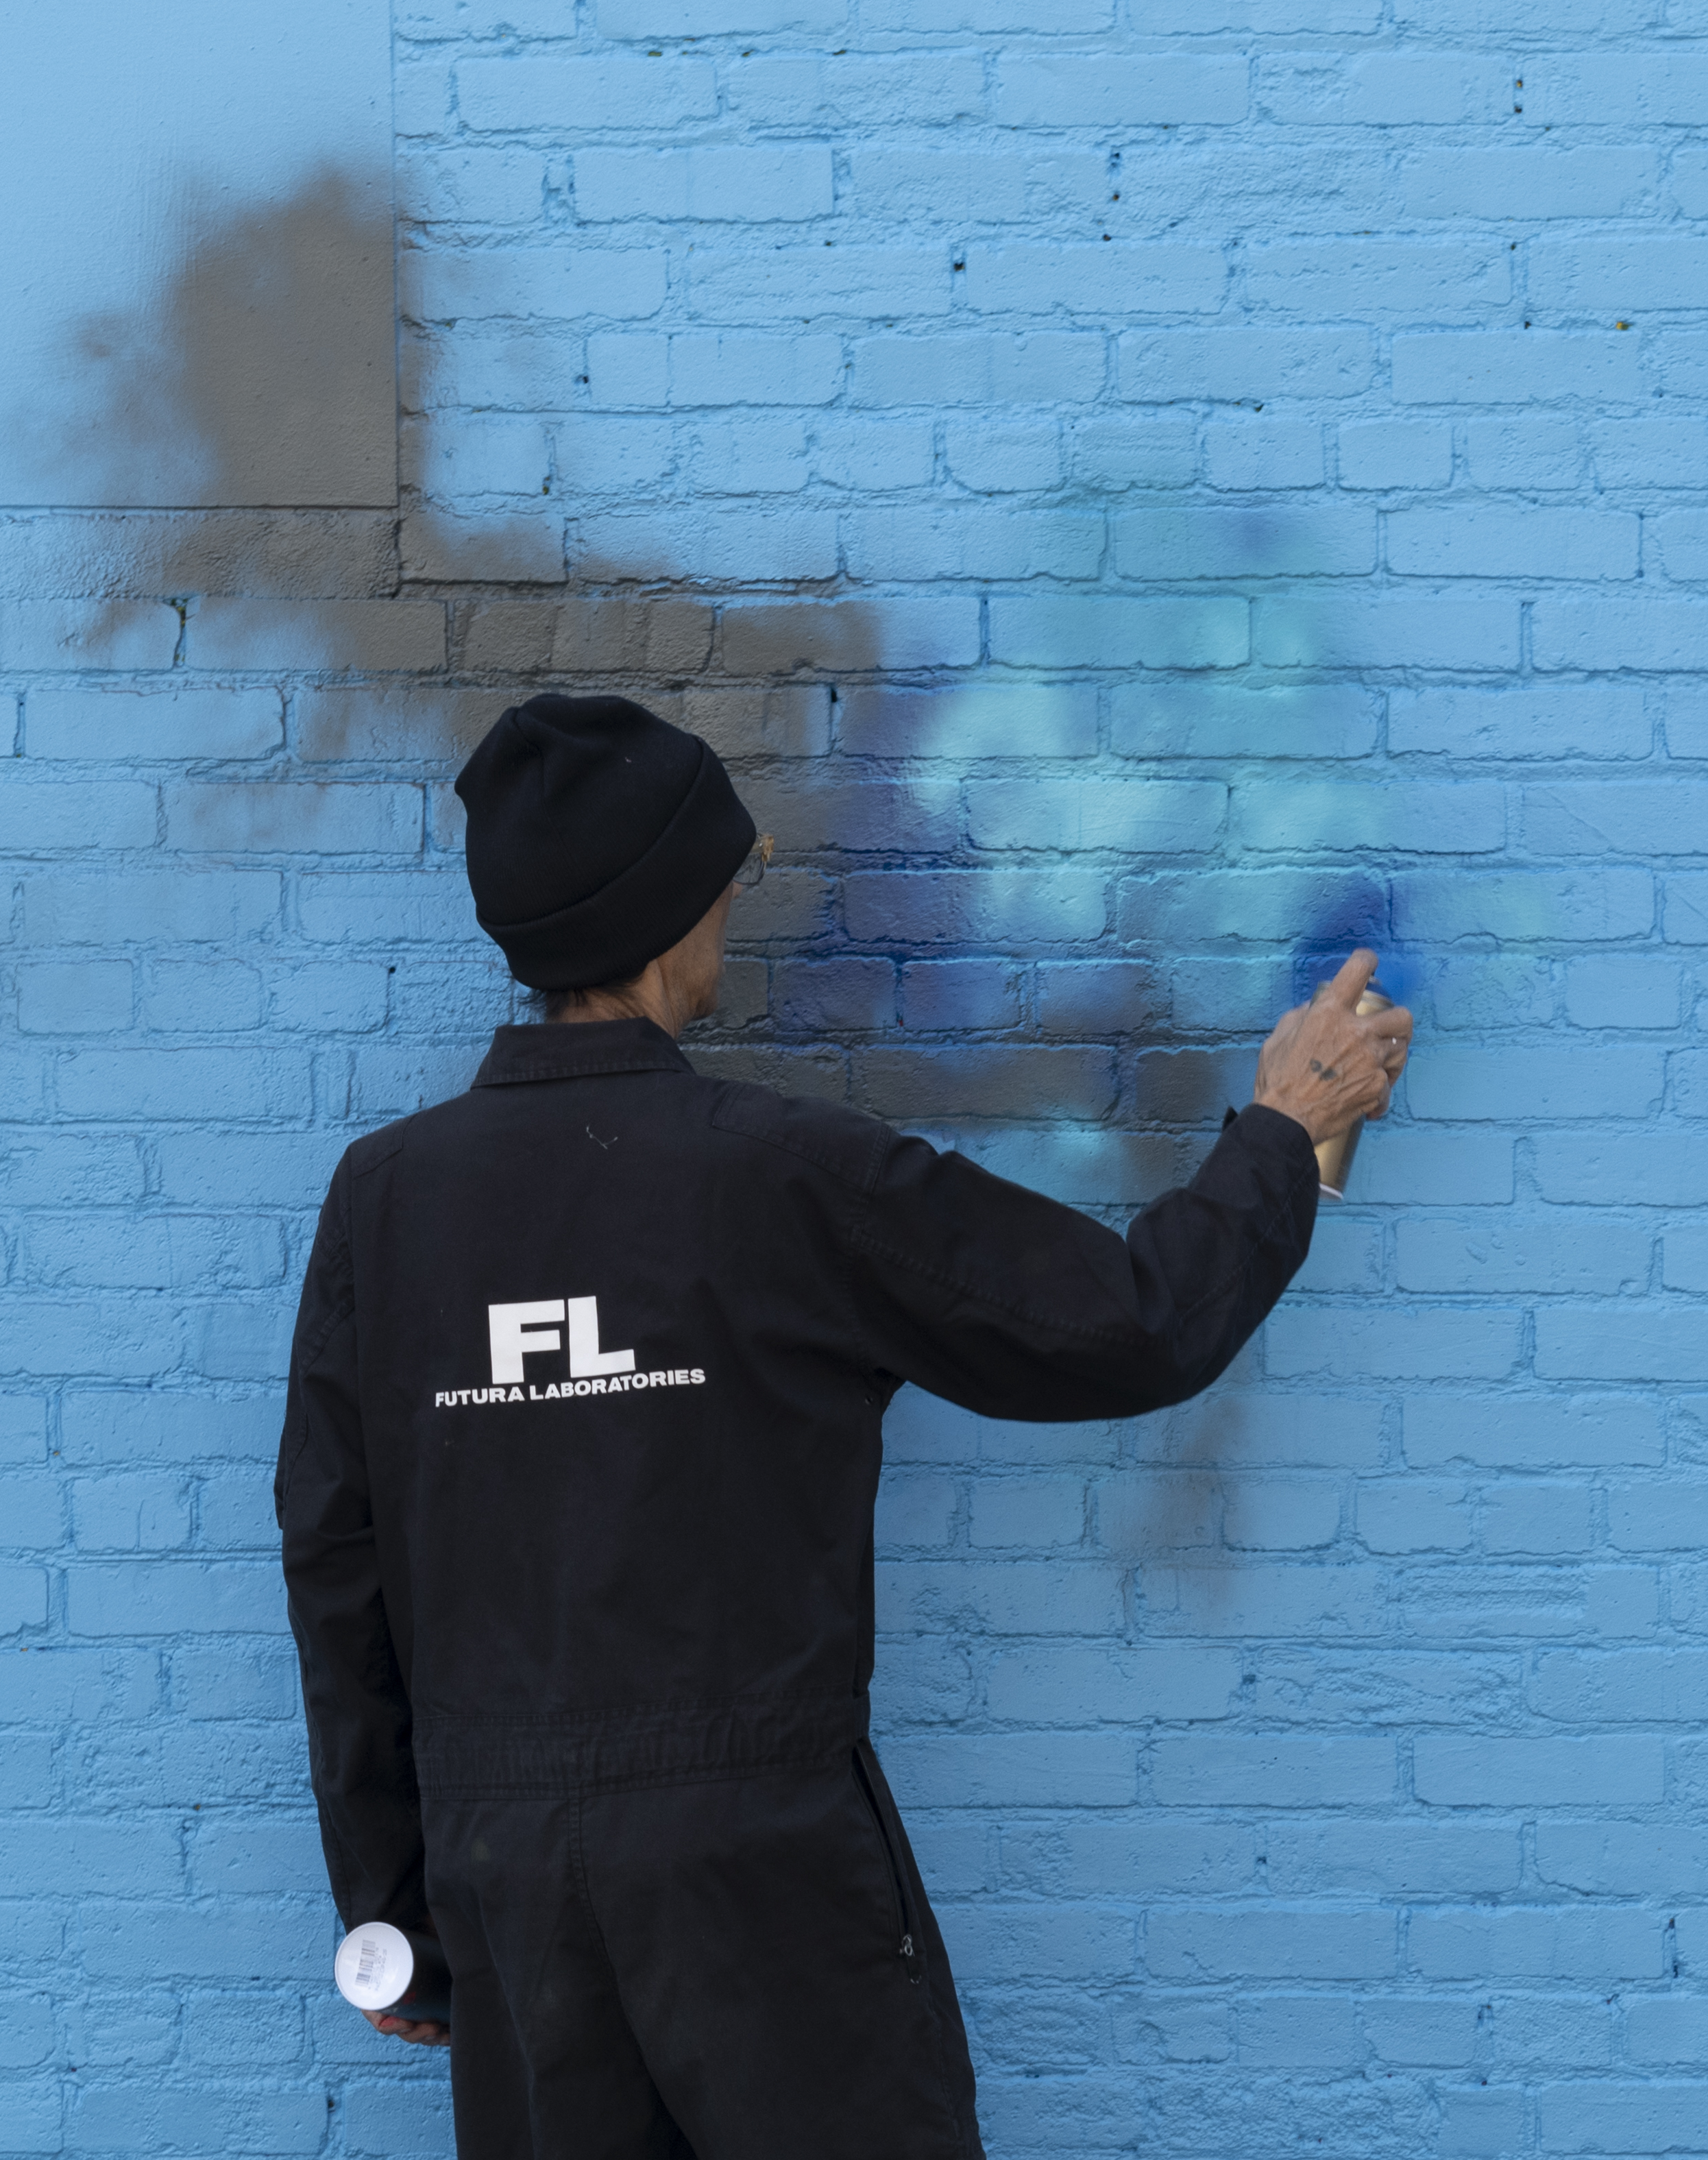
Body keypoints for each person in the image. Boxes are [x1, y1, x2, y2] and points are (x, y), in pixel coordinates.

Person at [275, 692, 1411, 2159]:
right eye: (724, 874)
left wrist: (391, 1898)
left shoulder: (387, 1201)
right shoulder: (781, 1180)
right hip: (763, 1878)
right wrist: (1278, 1129)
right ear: (671, 913)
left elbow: (335, 1562)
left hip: (509, 1892)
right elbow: (1128, 1323)